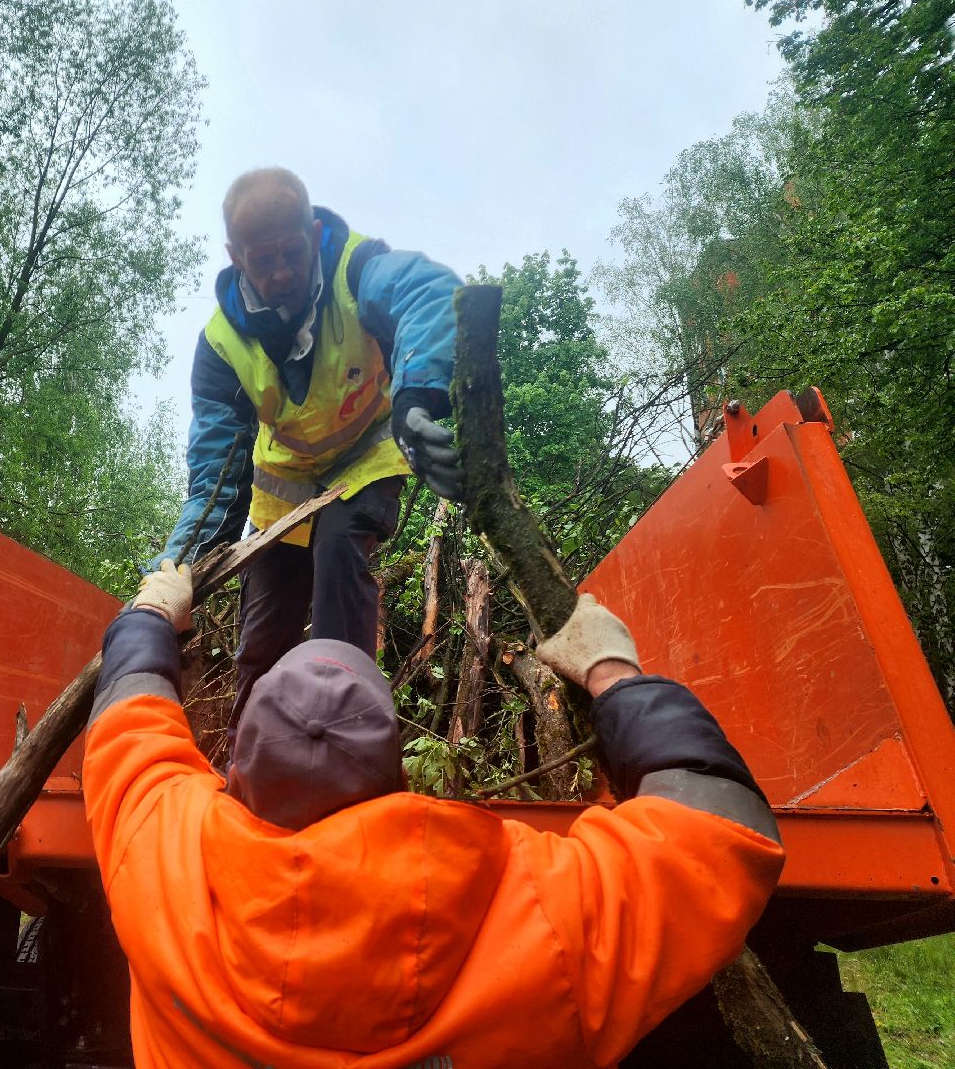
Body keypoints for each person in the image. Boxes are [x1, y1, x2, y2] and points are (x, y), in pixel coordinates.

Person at [83, 561, 786, 1068]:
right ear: (397, 777)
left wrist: (151, 612)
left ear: (231, 768)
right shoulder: (543, 920)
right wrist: (614, 675)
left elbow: (131, 711)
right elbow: (722, 828)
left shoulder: (159, 852)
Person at [153, 167, 465, 719]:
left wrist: (418, 398)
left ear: (314, 230)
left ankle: (347, 730)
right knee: (265, 630)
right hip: (283, 489)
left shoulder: (358, 269)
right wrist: (176, 569)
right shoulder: (222, 345)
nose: (282, 273)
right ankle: (251, 753)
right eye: (263, 260)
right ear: (235, 254)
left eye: (293, 253)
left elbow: (430, 292)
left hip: (364, 461)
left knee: (340, 554)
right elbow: (215, 475)